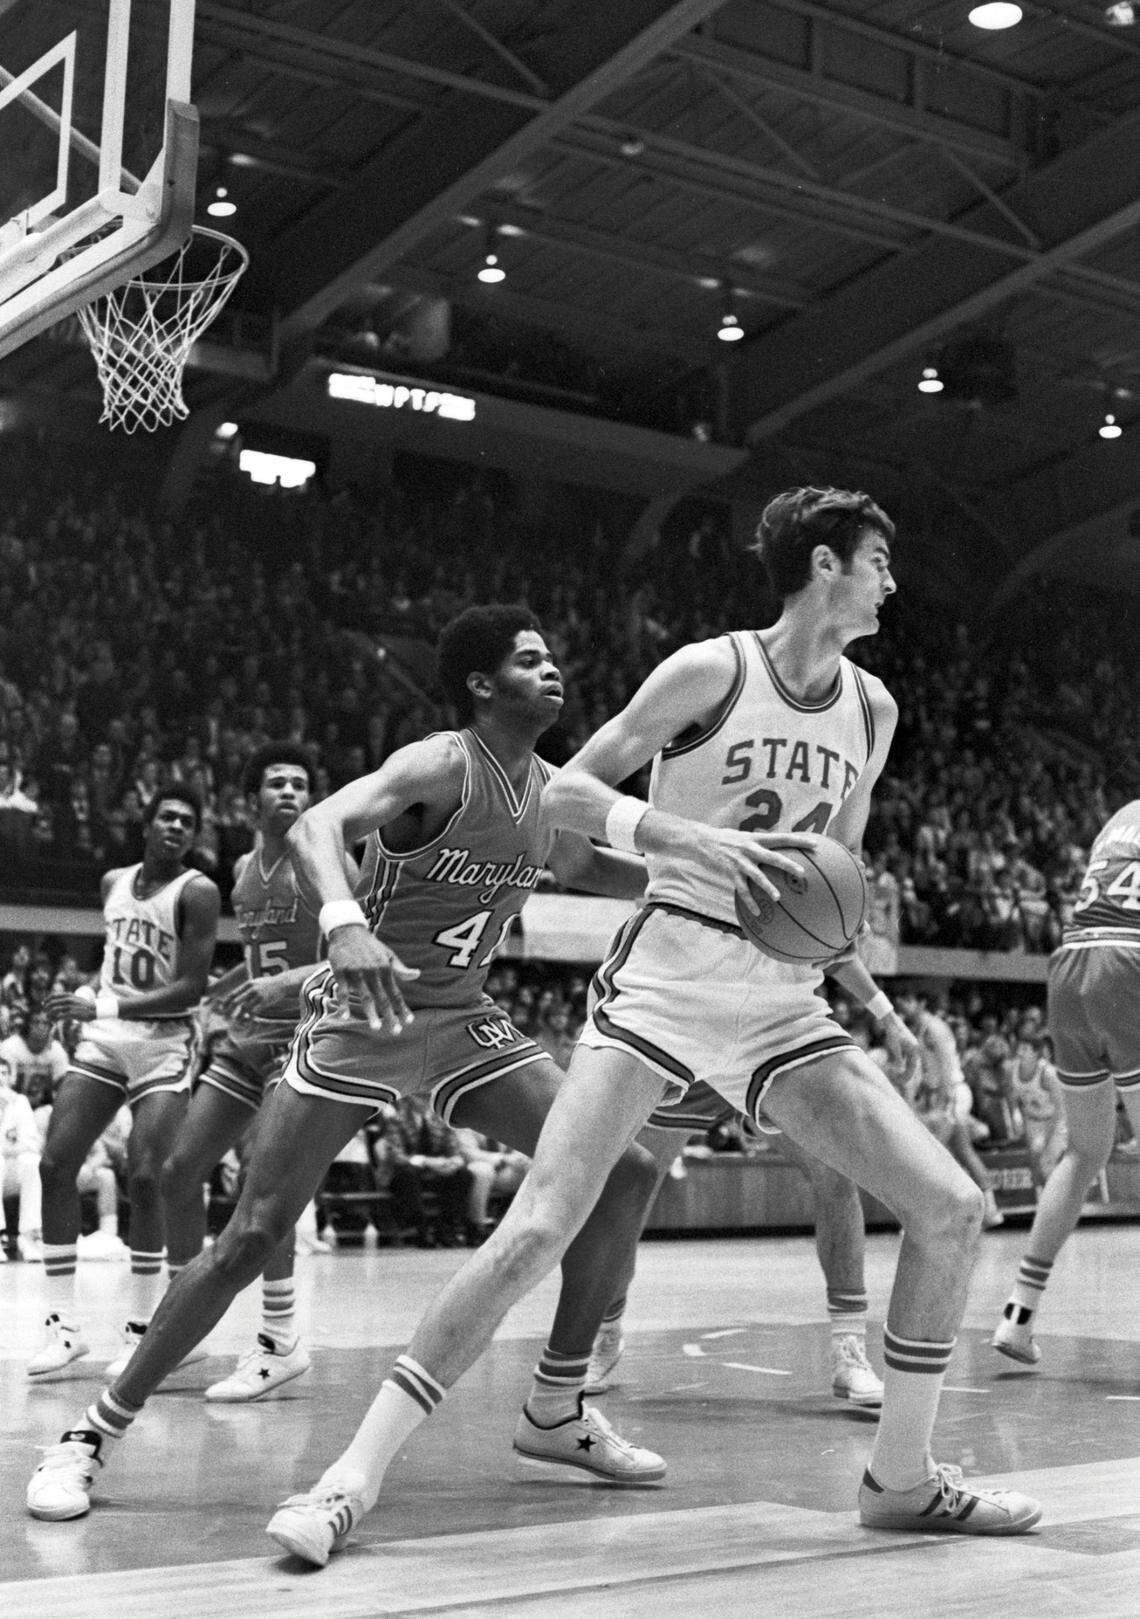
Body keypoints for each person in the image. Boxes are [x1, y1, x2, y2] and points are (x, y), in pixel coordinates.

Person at [256, 485, 1040, 1563]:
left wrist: (869, 1000)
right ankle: (350, 1479)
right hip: (663, 985)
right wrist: (683, 840)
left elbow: (835, 883)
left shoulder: (875, 710)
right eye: (878, 559)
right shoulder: (710, 670)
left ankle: (902, 1476)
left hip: (780, 1003)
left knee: (951, 1207)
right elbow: (563, 794)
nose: (892, 580)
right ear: (824, 566)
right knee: (539, 1225)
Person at [28, 604, 661, 1525]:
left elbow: (596, 867)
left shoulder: (550, 788)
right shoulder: (442, 762)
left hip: (460, 1016)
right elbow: (319, 823)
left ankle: (557, 1405)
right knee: (251, 1233)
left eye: (552, 655)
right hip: (364, 1014)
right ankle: (90, 1432)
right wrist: (344, 924)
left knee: (624, 1168)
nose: (553, 668)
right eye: (529, 660)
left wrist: (712, 877)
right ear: (484, 686)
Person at [157, 744, 339, 1402]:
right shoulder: (242, 867)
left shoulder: (323, 860)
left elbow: (360, 954)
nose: (291, 790)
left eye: (301, 781)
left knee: (269, 1185)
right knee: (178, 1169)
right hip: (247, 1035)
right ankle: (183, 1316)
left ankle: (280, 1340)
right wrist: (220, 990)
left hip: (301, 1035)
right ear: (250, 800)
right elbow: (261, 959)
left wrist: (282, 983)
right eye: (277, 782)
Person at [28, 785, 220, 1379]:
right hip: (107, 1040)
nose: (177, 827)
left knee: (146, 1176)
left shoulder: (199, 892)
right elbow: (116, 960)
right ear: (146, 822)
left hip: (164, 1043)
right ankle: (62, 1331)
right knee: (54, 1166)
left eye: (188, 822)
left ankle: (143, 1330)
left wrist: (103, 1010)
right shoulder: (113, 881)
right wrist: (86, 995)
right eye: (168, 817)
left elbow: (190, 987)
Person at [586, 1077, 897, 1410]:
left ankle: (848, 1350)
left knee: (835, 1172)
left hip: (762, 1056)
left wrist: (889, 1020)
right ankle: (606, 1332)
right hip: (691, 1054)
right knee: (633, 1187)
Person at [993, 800, 1140, 1367]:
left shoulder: (1120, 816)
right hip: (1127, 965)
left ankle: (1018, 1313)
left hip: (1070, 967)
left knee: (1085, 1151)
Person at [894, 988, 1004, 1230]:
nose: (902, 1004)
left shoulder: (935, 1028)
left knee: (932, 1155)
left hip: (953, 1093)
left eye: (908, 998)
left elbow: (945, 1066)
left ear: (922, 1002)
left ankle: (920, 1220)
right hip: (944, 1094)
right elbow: (930, 1068)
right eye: (901, 999)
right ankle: (991, 1211)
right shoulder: (920, 1029)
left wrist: (943, 1100)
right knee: (963, 1151)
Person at [1, 1053, 42, 1260]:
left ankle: (29, 1237)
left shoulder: (21, 1102)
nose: (0, 1078)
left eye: (4, 1073)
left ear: (10, 1078)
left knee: (32, 1162)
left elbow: (31, 1143)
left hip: (13, 1169)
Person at [0, 1007, 69, 1100]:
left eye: (45, 1023)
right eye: (36, 1022)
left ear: (51, 1027)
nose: (41, 1027)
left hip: (43, 1108)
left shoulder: (57, 1051)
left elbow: (62, 1088)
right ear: (27, 1025)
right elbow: (4, 1088)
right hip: (11, 1105)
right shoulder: (10, 1047)